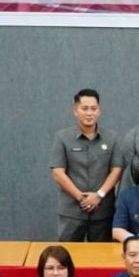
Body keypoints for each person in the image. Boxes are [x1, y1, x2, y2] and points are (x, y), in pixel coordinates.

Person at [51, 88, 123, 241]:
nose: (89, 113)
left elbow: (117, 170)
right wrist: (81, 198)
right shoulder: (62, 137)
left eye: (93, 109)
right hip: (71, 211)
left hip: (102, 210)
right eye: (84, 108)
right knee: (67, 253)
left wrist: (99, 195)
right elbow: (58, 173)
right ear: (75, 111)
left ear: (99, 111)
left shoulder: (112, 138)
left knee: (102, 255)